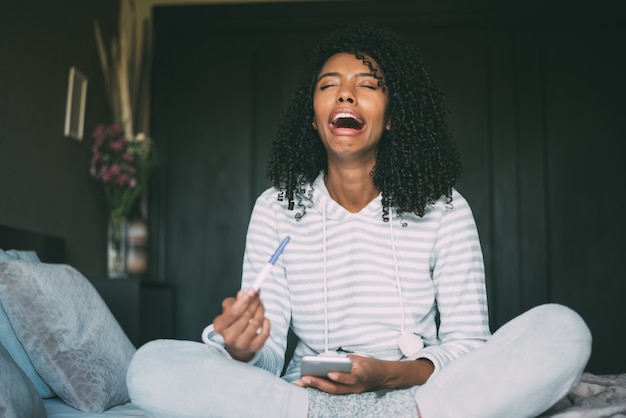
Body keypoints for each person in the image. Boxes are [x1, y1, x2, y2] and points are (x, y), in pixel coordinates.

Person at [126, 24, 591, 418]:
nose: (345, 92)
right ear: (313, 117)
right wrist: (240, 346)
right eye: (328, 84)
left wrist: (387, 376)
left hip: (423, 398)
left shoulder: (445, 209)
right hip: (303, 402)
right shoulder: (277, 208)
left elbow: (469, 346)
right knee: (151, 366)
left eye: (367, 85)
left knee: (563, 330)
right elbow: (266, 360)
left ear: (391, 118)